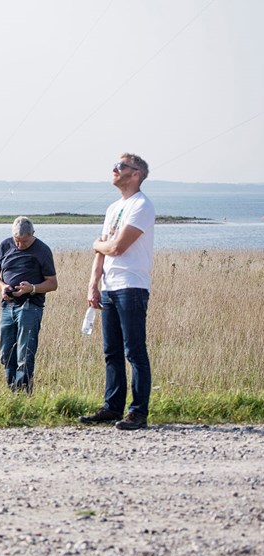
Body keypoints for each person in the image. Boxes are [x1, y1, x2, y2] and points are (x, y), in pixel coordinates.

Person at [79, 154, 155, 430]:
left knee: (134, 351)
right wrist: (93, 284)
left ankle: (138, 412)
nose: (115, 169)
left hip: (131, 285)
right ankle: (112, 407)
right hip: (109, 287)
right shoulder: (114, 208)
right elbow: (103, 250)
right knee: (111, 351)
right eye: (116, 165)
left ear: (136, 174)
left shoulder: (142, 206)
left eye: (121, 166)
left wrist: (97, 244)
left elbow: (116, 247)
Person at [0, 216, 58, 392]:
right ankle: (12, 390)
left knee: (25, 352)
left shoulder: (43, 250)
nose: (19, 245)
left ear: (32, 234)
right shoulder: (5, 245)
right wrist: (3, 286)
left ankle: (24, 392)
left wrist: (31, 288)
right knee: (6, 352)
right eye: (16, 241)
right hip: (7, 305)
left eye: (24, 241)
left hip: (30, 306)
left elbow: (52, 283)